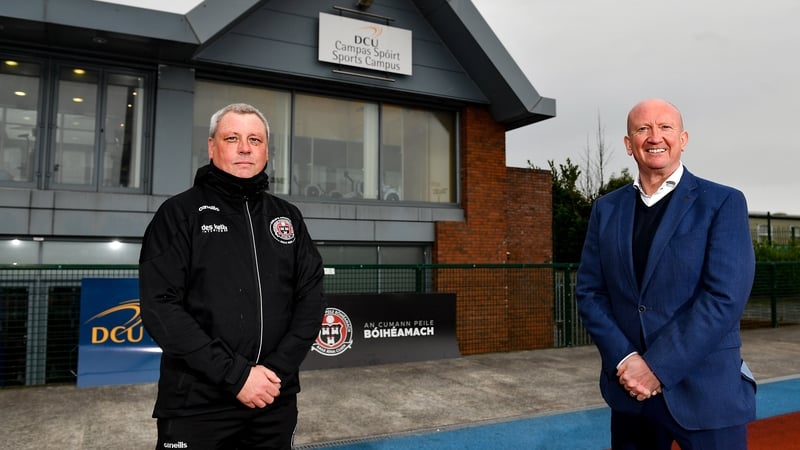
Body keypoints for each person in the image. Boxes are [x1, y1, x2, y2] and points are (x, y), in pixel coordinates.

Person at [139, 103, 326, 449]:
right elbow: (160, 307)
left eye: (255, 139)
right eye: (232, 138)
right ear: (212, 147)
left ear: (266, 151)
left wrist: (273, 375)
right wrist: (237, 376)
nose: (244, 147)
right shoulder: (179, 214)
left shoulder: (288, 217)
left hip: (273, 399)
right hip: (197, 406)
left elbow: (311, 299)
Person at [576, 98, 757, 449]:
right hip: (632, 396)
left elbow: (724, 297)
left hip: (707, 395)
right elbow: (590, 292)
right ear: (629, 145)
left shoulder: (723, 202)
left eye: (665, 127)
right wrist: (627, 360)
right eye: (642, 129)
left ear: (683, 139)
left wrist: (656, 367)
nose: (654, 136)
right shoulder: (606, 210)